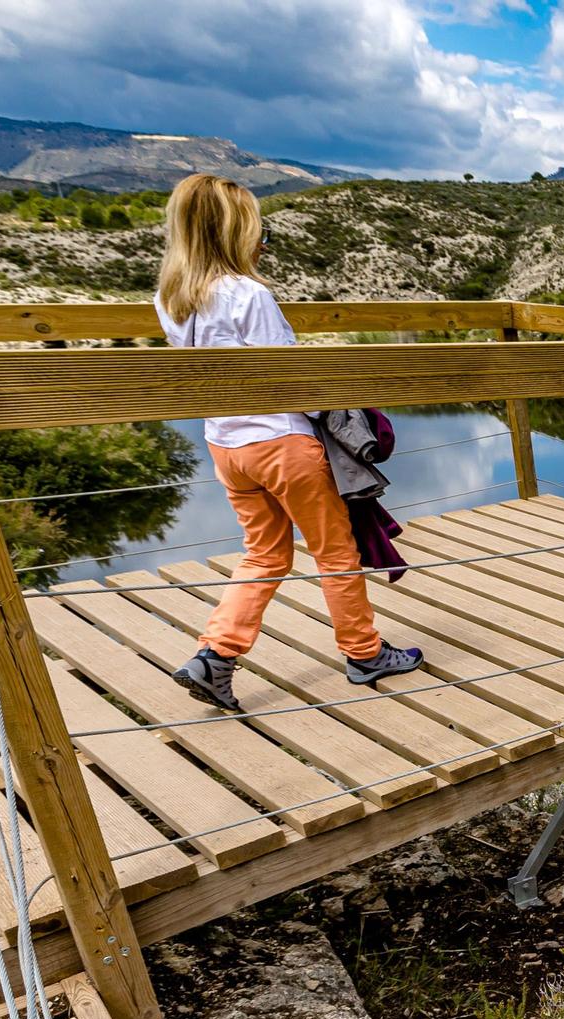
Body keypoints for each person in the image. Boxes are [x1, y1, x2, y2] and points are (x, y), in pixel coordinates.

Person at [154, 173, 420, 712]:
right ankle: (364, 653)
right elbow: (291, 378)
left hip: (227, 448)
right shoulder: (248, 295)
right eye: (257, 229)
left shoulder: (171, 301)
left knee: (264, 554)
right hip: (281, 444)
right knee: (335, 551)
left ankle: (214, 656)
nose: (262, 241)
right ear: (234, 232)